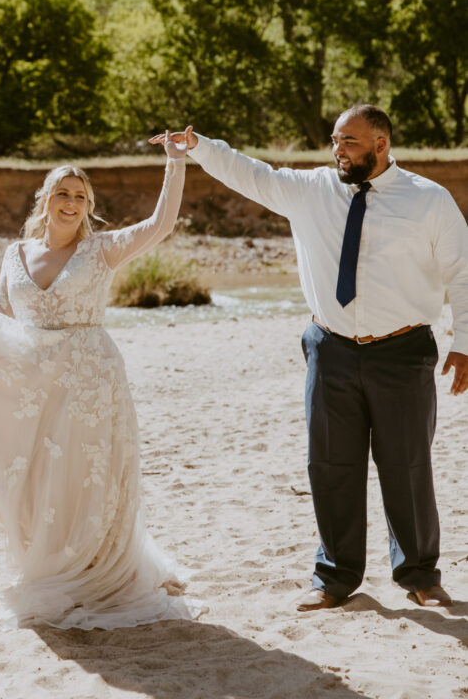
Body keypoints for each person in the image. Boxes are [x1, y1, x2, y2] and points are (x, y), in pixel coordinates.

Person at [151, 106, 468, 611]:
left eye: (351, 142)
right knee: (330, 464)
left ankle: (419, 576)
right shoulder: (311, 190)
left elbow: (462, 271)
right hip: (330, 348)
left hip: (403, 351)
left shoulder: (429, 200)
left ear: (382, 145)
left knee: (407, 465)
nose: (338, 150)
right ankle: (336, 578)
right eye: (335, 140)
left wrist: (464, 342)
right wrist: (201, 148)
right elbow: (252, 174)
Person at [0, 131, 203, 630]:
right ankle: (54, 562)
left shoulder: (103, 250)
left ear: (88, 206)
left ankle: (95, 568)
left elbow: (161, 224)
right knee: (37, 478)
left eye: (80, 196)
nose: (71, 203)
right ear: (45, 201)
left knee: (87, 475)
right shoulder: (15, 254)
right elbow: (7, 312)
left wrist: (174, 163)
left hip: (92, 378)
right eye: (62, 194)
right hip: (34, 380)